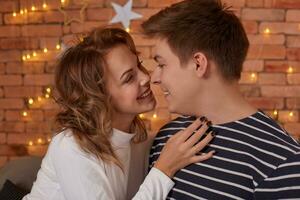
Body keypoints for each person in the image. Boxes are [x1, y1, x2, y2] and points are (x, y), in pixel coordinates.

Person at [22, 27, 215, 200]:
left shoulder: (134, 140)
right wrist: (164, 170)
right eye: (129, 78)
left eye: (138, 65)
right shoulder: (71, 147)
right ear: (100, 97)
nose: (146, 77)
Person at [142, 0, 300, 199]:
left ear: (199, 64)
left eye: (162, 64)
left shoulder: (283, 162)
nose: (154, 77)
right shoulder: (169, 139)